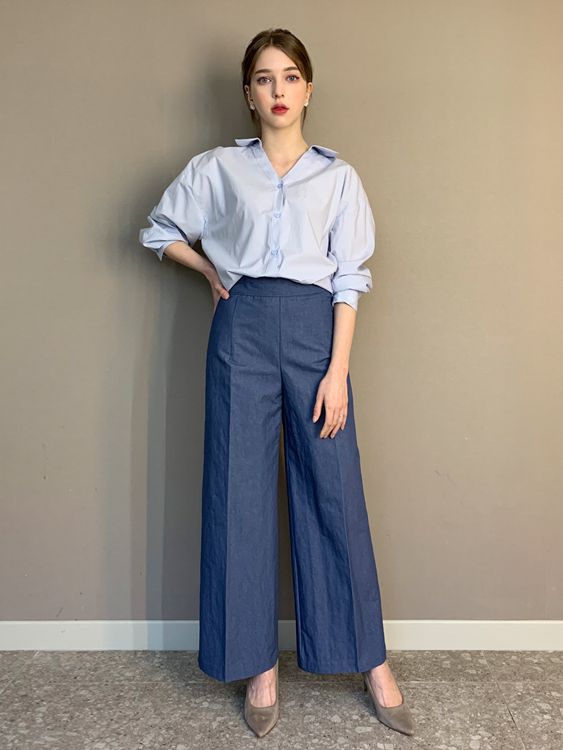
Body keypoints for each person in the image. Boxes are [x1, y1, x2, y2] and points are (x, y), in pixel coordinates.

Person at [139, 27, 415, 740]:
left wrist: (338, 371)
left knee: (334, 492)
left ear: (308, 88)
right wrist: (211, 272)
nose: (278, 90)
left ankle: (372, 663)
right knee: (239, 493)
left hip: (317, 333)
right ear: (248, 93)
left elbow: (349, 277)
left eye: (290, 76)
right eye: (264, 78)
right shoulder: (217, 169)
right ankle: (257, 665)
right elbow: (158, 229)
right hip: (242, 330)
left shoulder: (338, 177)